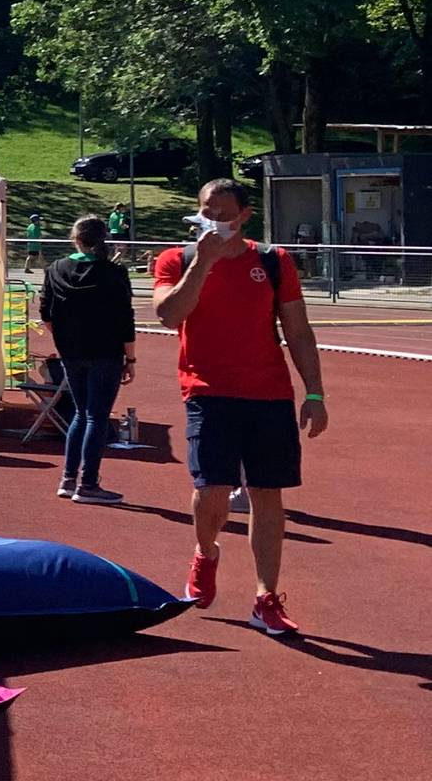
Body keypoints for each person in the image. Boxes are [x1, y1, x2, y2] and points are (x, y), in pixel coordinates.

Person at [153, 178, 325, 636]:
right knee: (212, 488)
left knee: (269, 496)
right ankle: (206, 550)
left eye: (224, 215)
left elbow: (299, 331)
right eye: (207, 212)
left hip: (269, 394)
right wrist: (203, 264)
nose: (214, 222)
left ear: (245, 216)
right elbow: (169, 315)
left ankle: (266, 596)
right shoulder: (178, 259)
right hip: (207, 392)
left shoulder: (272, 261)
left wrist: (315, 393)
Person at [41, 216, 136, 504]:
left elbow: (46, 312)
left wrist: (63, 340)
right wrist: (131, 358)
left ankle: (68, 479)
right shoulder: (114, 272)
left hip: (72, 352)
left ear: (75, 237)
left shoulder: (56, 268)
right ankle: (88, 483)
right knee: (96, 415)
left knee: (82, 414)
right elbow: (125, 319)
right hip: (105, 351)